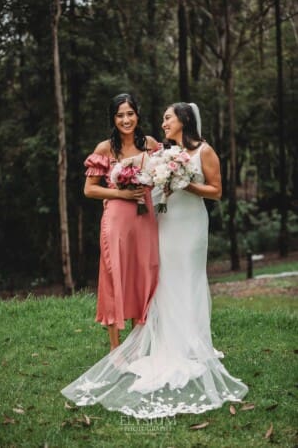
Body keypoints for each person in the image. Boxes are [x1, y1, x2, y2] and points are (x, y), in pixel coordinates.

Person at [61, 101, 248, 418]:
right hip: (164, 223)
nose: (162, 123)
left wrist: (184, 182)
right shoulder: (164, 153)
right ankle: (165, 341)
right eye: (162, 119)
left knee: (190, 278)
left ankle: (194, 341)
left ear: (183, 120)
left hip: (191, 224)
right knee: (164, 279)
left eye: (167, 118)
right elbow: (133, 178)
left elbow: (216, 191)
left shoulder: (204, 151)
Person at [83, 93, 159, 351]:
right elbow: (90, 190)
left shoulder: (150, 144)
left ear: (137, 115)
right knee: (115, 273)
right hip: (117, 218)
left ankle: (140, 344)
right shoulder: (105, 148)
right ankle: (116, 351)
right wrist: (121, 193)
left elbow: (165, 171)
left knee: (145, 270)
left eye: (130, 114)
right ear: (113, 119)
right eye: (120, 115)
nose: (126, 120)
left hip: (145, 217)